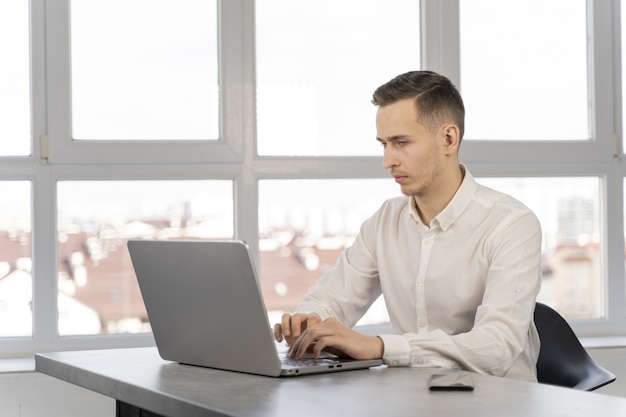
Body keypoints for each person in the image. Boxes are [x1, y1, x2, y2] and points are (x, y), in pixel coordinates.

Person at [273, 70, 542, 382]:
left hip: (501, 405)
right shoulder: (385, 221)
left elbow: (497, 346)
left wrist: (378, 346)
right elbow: (329, 299)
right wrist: (309, 324)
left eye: (401, 143)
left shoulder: (512, 224)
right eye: (384, 144)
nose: (388, 161)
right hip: (415, 400)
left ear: (448, 139)